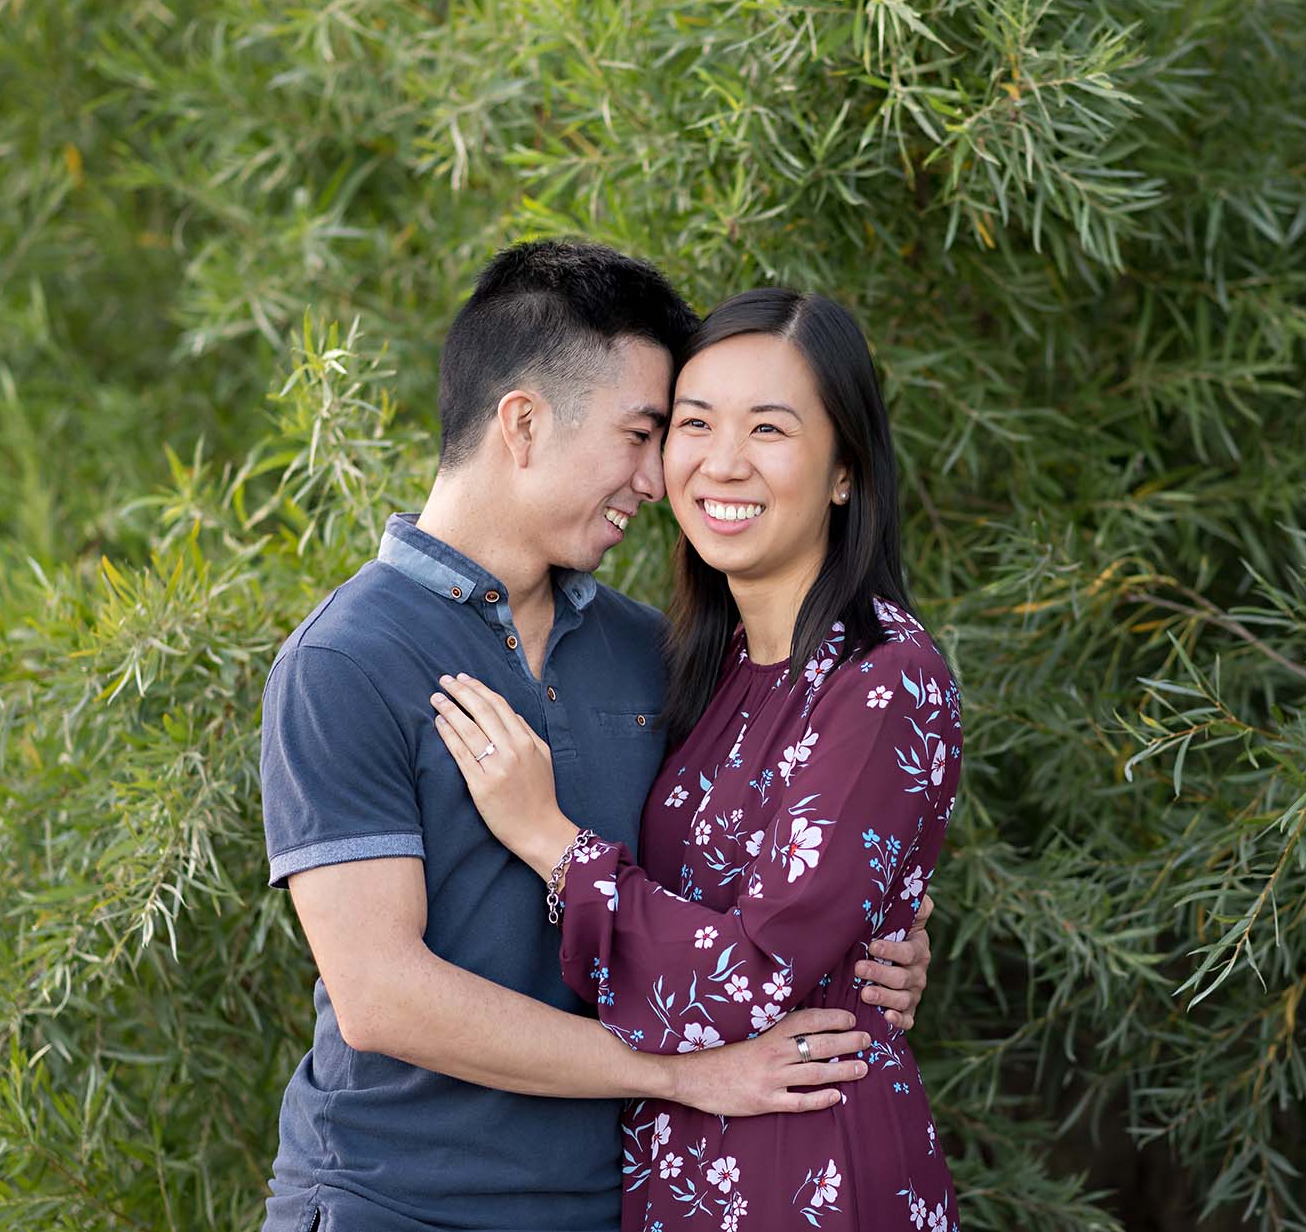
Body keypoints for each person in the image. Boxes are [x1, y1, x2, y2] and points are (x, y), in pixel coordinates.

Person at [258, 244, 937, 1232]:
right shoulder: (346, 662)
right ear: (524, 423)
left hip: (605, 1202)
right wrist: (686, 1072)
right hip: (394, 1198)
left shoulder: (650, 652)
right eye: (643, 433)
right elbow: (383, 1000)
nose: (658, 479)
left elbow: (762, 849)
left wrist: (882, 937)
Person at [429, 288, 962, 1231]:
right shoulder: (702, 673)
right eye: (693, 423)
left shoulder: (885, 679)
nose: (723, 461)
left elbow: (754, 974)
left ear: (845, 470)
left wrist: (549, 840)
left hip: (804, 1169)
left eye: (770, 429)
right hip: (679, 1165)